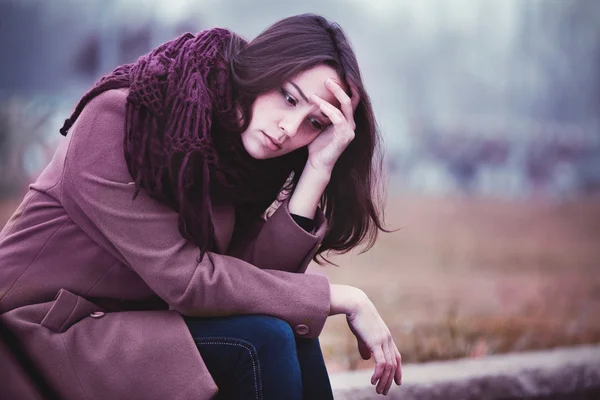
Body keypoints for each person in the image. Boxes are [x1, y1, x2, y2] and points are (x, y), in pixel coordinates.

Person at [0, 13, 402, 399]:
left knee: (289, 332)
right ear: (260, 68)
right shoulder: (120, 119)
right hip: (38, 333)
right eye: (289, 97)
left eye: (315, 124)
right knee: (261, 341)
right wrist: (342, 297)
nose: (289, 129)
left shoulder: (232, 155)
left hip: (129, 327)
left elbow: (254, 283)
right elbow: (188, 280)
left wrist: (317, 168)